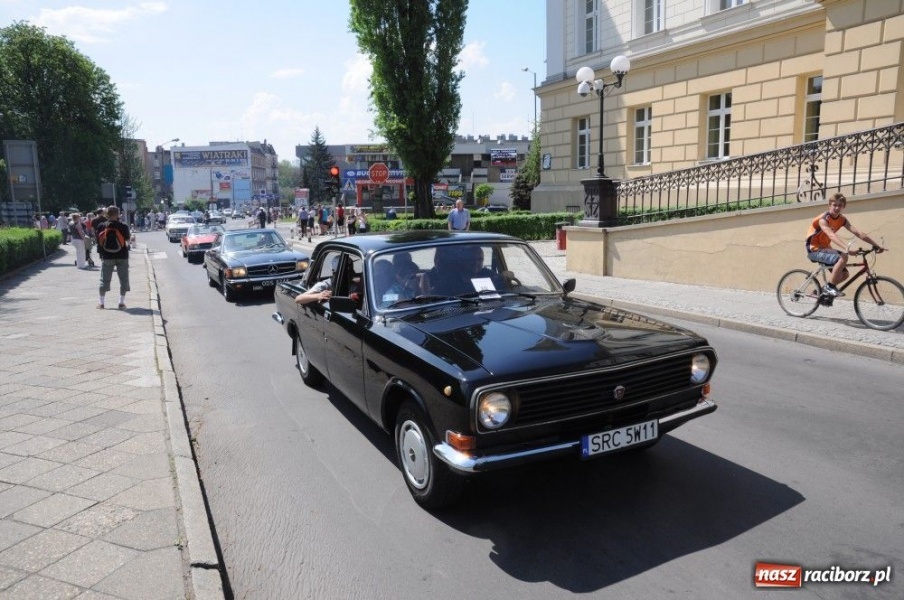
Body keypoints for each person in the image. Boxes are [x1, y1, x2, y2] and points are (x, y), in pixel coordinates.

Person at [806, 192, 886, 298]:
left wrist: (876, 245)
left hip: (825, 249)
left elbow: (858, 233)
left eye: (840, 205)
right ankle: (830, 287)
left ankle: (820, 292)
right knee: (843, 256)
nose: (837, 208)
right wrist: (847, 248)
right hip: (814, 250)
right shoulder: (823, 219)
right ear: (829, 205)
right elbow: (831, 235)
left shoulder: (842, 219)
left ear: (844, 206)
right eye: (834, 205)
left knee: (844, 275)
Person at [95, 205, 132, 309]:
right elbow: (128, 241)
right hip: (122, 255)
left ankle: (101, 303)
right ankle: (121, 302)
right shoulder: (123, 226)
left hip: (107, 256)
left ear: (107, 214)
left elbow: (99, 242)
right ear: (118, 214)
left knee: (104, 279)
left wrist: (100, 255)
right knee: (124, 279)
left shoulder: (101, 226)